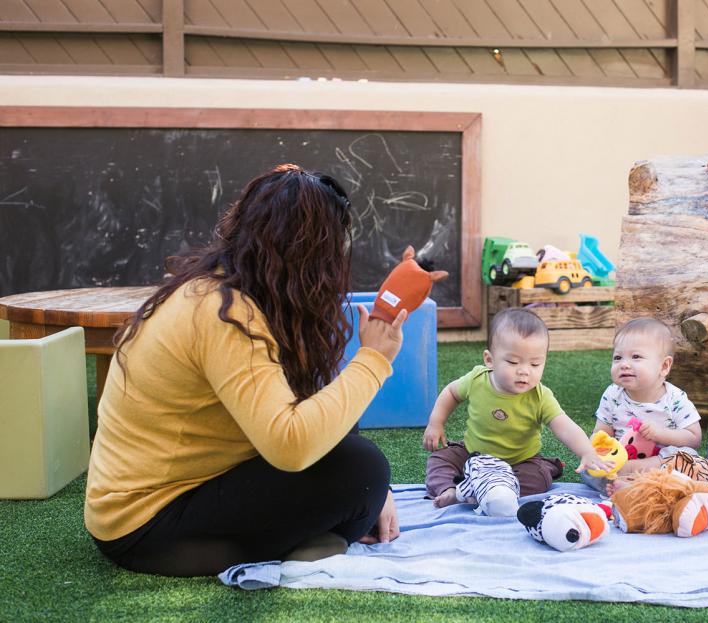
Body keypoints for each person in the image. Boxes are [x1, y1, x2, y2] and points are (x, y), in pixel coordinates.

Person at [85, 164, 444, 577]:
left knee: (354, 458)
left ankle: (312, 536)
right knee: (363, 469)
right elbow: (289, 446)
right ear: (308, 254)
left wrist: (375, 493)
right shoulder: (224, 313)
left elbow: (315, 402)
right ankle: (309, 539)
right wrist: (374, 360)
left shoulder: (230, 289)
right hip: (149, 528)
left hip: (168, 500)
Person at [422, 308, 612, 509]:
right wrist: (436, 423)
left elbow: (565, 427)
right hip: (473, 454)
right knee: (439, 460)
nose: (524, 371)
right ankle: (448, 490)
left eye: (535, 364)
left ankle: (475, 492)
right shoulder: (477, 379)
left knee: (539, 479)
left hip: (519, 461)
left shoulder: (541, 396)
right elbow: (451, 392)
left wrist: (587, 451)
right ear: (490, 360)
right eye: (513, 362)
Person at [583, 317, 704, 494]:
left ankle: (637, 484)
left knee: (688, 457)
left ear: (664, 366)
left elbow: (694, 439)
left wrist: (661, 434)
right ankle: (630, 486)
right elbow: (601, 433)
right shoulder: (612, 394)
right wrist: (598, 452)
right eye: (617, 357)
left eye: (636, 357)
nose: (624, 364)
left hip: (659, 464)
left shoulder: (675, 399)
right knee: (590, 467)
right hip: (621, 462)